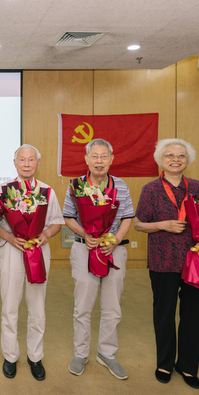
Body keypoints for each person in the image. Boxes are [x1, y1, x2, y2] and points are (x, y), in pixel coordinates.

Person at [134, 139, 199, 389]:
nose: (175, 159)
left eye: (181, 155)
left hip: (194, 259)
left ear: (188, 160)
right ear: (160, 159)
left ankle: (188, 366)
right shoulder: (151, 189)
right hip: (162, 259)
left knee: (193, 315)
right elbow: (138, 224)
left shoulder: (198, 187)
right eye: (170, 155)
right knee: (164, 314)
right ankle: (164, 363)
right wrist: (162, 225)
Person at [63, 138, 134, 380]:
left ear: (111, 159)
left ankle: (107, 353)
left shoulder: (121, 185)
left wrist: (115, 239)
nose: (99, 161)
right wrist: (86, 234)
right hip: (84, 248)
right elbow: (68, 217)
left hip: (114, 250)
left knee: (112, 306)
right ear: (86, 159)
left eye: (104, 156)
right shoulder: (76, 185)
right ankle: (80, 353)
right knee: (83, 305)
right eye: (94, 156)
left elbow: (127, 217)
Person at [0, 144, 64, 381]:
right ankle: (10, 356)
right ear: (15, 163)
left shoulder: (47, 191)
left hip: (38, 251)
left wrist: (46, 234)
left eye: (31, 160)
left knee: (37, 306)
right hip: (12, 250)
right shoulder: (3, 190)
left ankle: (35, 356)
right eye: (22, 160)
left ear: (38, 163)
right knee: (9, 305)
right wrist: (10, 237)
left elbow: (56, 222)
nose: (26, 164)